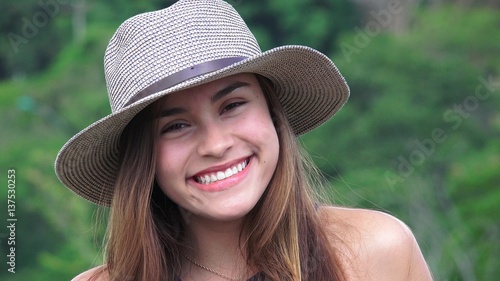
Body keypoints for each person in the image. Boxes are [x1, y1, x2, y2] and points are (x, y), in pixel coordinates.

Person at [55, 0, 434, 280]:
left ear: (272, 112)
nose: (216, 144)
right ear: (144, 158)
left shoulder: (374, 253)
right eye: (175, 126)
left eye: (232, 105)